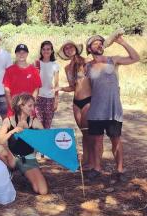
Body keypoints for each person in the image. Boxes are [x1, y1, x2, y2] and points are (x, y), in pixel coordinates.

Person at [85, 34, 139, 181]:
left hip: (113, 109)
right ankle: (97, 168)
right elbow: (78, 86)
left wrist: (122, 42)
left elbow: (136, 58)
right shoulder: (87, 66)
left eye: (100, 43)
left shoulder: (113, 60)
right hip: (95, 110)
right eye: (95, 44)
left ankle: (120, 170)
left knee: (116, 140)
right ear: (89, 49)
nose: (99, 45)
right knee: (97, 141)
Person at [0, 93, 48, 195]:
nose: (33, 109)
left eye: (33, 106)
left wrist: (31, 133)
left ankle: (26, 174)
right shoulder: (8, 121)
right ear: (21, 106)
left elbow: (45, 140)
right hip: (13, 157)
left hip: (28, 158)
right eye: (30, 106)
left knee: (42, 191)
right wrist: (13, 131)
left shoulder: (34, 121)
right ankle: (9, 171)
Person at [56, 40, 92, 169]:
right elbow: (72, 87)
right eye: (66, 48)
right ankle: (86, 160)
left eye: (71, 47)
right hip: (76, 102)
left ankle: (93, 161)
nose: (69, 49)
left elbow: (94, 79)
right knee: (83, 132)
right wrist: (59, 88)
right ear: (65, 52)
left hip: (88, 100)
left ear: (76, 49)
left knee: (89, 132)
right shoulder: (67, 68)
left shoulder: (86, 61)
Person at [3, 44, 42, 117]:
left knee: (30, 128)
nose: (21, 54)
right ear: (16, 54)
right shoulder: (9, 70)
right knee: (14, 128)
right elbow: (6, 90)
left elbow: (36, 90)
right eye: (19, 52)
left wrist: (30, 106)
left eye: (23, 52)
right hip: (14, 110)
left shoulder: (34, 70)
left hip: (29, 110)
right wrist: (13, 106)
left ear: (27, 54)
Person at [34, 41, 59, 129]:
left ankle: (46, 142)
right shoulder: (37, 63)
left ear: (52, 51)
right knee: (38, 125)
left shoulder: (55, 65)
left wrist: (56, 100)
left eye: (48, 49)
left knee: (47, 125)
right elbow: (34, 82)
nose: (46, 51)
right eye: (43, 49)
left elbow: (56, 84)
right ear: (41, 51)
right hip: (38, 97)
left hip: (50, 98)